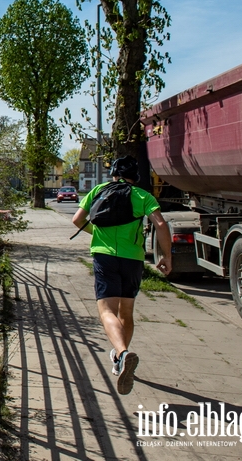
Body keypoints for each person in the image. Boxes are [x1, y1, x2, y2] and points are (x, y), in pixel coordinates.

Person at [72, 155, 172, 395]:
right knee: (126, 312)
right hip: (133, 259)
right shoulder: (142, 196)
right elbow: (160, 224)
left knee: (106, 310)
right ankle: (120, 358)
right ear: (135, 177)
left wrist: (97, 234)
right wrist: (167, 256)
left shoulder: (98, 190)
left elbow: (77, 220)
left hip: (105, 257)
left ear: (114, 173)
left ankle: (122, 354)